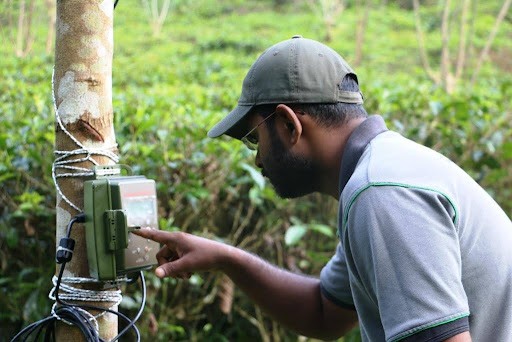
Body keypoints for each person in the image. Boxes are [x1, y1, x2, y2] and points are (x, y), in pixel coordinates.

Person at [135, 36, 512, 341]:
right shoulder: (378, 174)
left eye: (254, 139)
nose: (257, 160)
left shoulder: (381, 192)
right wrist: (226, 258)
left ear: (288, 124)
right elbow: (323, 312)